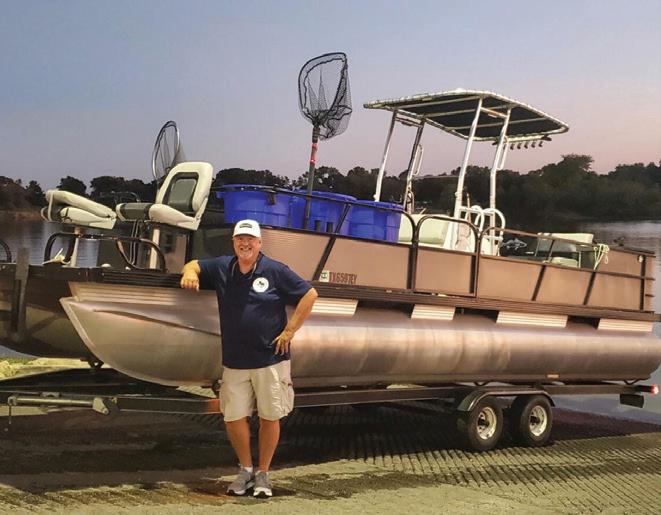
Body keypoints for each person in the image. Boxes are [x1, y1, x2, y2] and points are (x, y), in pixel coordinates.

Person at [180, 219, 318, 498]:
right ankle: (245, 469)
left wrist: (290, 331)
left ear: (259, 243)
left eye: (250, 239)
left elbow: (309, 294)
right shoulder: (223, 267)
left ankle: (263, 474)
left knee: (270, 416)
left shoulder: (275, 270)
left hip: (271, 360)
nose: (245, 244)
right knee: (233, 417)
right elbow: (193, 264)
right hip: (235, 361)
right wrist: (190, 272)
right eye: (240, 239)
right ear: (233, 242)